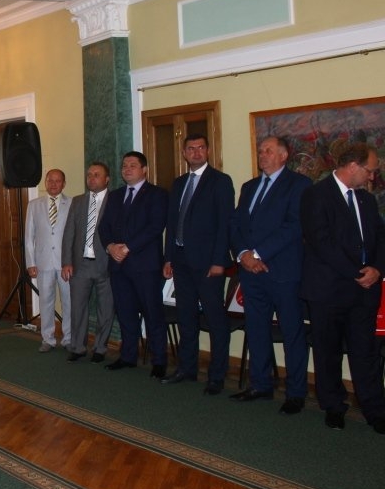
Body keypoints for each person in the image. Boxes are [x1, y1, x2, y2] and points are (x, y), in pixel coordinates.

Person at [299, 142, 385, 432]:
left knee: (366, 352)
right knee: (328, 352)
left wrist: (377, 269)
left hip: (364, 290)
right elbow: (321, 242)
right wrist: (357, 272)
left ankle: (375, 410)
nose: (372, 176)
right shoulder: (316, 195)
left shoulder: (366, 200)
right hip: (328, 290)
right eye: (369, 171)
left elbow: (381, 237)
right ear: (353, 166)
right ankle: (333, 406)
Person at [228, 136, 311, 413]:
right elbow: (236, 224)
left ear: (284, 156)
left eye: (269, 151)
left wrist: (258, 254)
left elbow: (294, 226)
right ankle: (260, 385)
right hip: (251, 273)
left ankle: (295, 393)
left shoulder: (299, 185)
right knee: (256, 329)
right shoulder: (249, 186)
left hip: (283, 272)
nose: (262, 155)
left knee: (292, 333)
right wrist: (243, 254)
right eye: (260, 151)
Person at [161, 135, 235, 395]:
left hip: (208, 264)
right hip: (181, 261)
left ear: (208, 151)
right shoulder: (179, 183)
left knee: (215, 321)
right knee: (186, 317)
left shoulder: (220, 181)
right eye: (191, 149)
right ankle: (187, 368)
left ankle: (217, 376)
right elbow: (172, 224)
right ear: (184, 153)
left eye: (201, 148)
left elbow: (225, 224)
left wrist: (219, 262)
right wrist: (168, 257)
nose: (196, 152)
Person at [98, 151, 169, 377]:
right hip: (118, 266)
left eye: (132, 165)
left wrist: (127, 248)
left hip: (145, 265)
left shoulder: (157, 194)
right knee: (125, 313)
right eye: (124, 166)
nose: (127, 169)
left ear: (144, 169)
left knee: (152, 314)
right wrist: (110, 247)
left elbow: (155, 227)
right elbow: (103, 227)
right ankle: (128, 356)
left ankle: (159, 361)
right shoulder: (115, 196)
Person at [60, 162, 115, 363]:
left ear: (107, 179)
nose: (91, 178)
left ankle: (100, 348)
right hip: (80, 264)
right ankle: (78, 347)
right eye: (89, 175)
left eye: (96, 175)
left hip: (106, 264)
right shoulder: (78, 201)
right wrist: (66, 261)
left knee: (106, 309)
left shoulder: (115, 201)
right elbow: (69, 233)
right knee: (77, 308)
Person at [25, 169, 72, 352]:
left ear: (64, 184)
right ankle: (48, 339)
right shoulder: (34, 205)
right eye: (50, 180)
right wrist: (31, 262)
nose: (53, 184)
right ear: (45, 182)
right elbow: (29, 237)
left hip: (65, 263)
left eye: (57, 181)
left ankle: (68, 338)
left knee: (68, 301)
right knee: (45, 301)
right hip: (42, 262)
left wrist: (72, 261)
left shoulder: (72, 204)